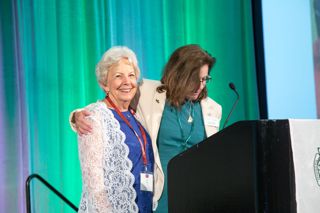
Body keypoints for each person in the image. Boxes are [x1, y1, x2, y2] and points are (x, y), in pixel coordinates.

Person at [71, 44, 222, 212]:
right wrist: (77, 116)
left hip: (195, 196)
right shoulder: (148, 92)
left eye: (205, 79)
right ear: (180, 74)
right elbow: (110, 104)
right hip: (160, 196)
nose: (200, 85)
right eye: (195, 79)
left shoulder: (213, 109)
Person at [76, 46, 156, 213]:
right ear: (104, 84)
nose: (127, 82)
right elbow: (94, 186)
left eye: (131, 75)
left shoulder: (136, 114)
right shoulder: (94, 117)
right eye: (118, 76)